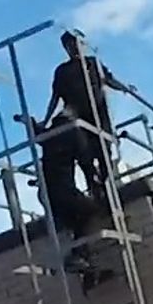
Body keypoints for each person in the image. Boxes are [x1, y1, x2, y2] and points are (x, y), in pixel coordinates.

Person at [42, 30, 133, 200]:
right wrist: (45, 121)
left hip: (99, 112)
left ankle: (106, 184)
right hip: (78, 116)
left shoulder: (92, 63)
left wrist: (125, 88)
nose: (74, 48)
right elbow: (55, 97)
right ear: (66, 49)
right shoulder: (62, 71)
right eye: (69, 46)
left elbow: (109, 79)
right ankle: (94, 186)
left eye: (76, 44)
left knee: (104, 149)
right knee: (84, 154)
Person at [37, 111, 102, 277]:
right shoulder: (74, 131)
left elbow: (38, 134)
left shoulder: (50, 134)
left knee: (74, 220)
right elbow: (86, 161)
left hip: (46, 194)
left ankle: (83, 262)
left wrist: (30, 123)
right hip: (64, 192)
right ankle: (78, 255)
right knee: (88, 210)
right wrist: (96, 186)